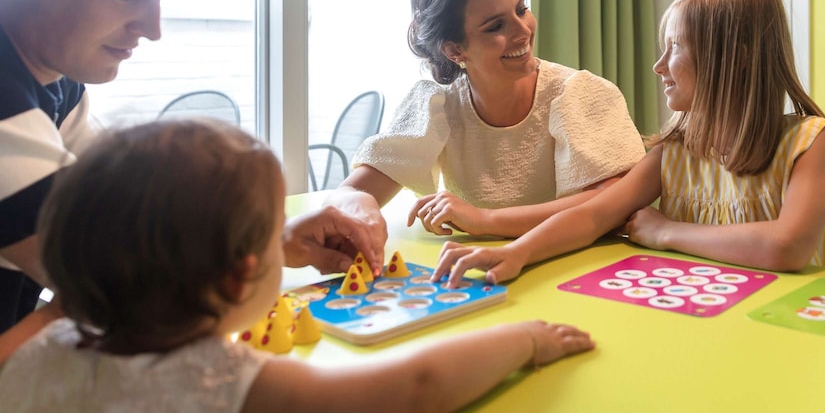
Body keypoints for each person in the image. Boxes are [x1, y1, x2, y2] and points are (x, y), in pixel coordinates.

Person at [0, 0, 380, 346]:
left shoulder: (56, 81)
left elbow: (130, 219)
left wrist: (274, 242)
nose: (152, 28)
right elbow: (127, 285)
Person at [0, 119, 595, 412]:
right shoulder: (217, 378)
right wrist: (523, 339)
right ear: (239, 277)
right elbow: (417, 388)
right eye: (272, 236)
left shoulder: (33, 350)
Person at [432, 0, 825, 288]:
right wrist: (516, 253)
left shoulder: (813, 143)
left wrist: (664, 231)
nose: (658, 66)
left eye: (676, 48)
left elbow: (787, 247)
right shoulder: (675, 153)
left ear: (738, 57)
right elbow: (592, 216)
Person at [330, 0, 646, 243]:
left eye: (521, 9)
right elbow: (348, 195)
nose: (523, 30)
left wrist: (485, 220)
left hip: (581, 270)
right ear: (455, 50)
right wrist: (358, 210)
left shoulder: (580, 94)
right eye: (496, 26)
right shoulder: (437, 105)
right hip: (480, 270)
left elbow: (615, 202)